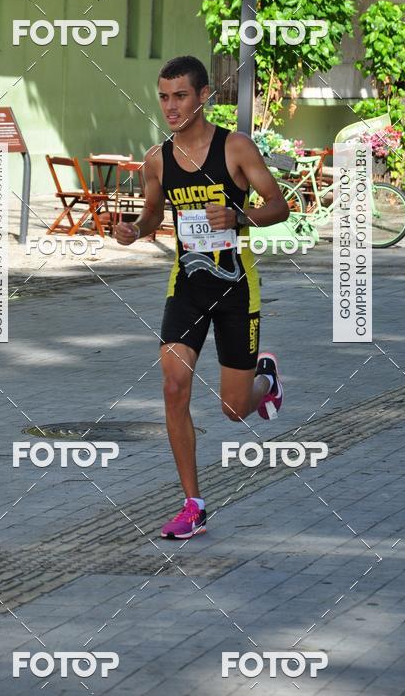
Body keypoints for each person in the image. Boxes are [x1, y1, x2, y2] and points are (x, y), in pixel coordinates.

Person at [115, 55, 289, 539]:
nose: (171, 107)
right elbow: (153, 215)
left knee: (233, 409)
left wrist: (239, 217)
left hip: (236, 289)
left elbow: (279, 206)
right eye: (164, 97)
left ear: (203, 95)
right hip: (187, 287)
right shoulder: (158, 158)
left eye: (181, 96)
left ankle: (265, 380)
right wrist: (136, 230)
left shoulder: (235, 147)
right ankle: (193, 504)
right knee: (173, 386)